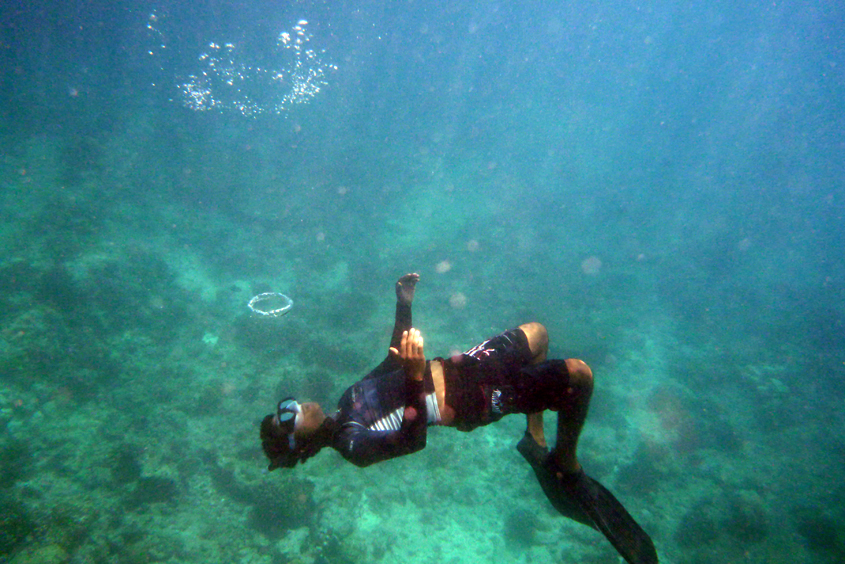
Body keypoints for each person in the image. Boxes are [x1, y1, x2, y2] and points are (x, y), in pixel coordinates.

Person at [260, 273, 658, 564]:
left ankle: (533, 434)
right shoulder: (351, 442)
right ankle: (565, 460)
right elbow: (413, 441)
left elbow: (392, 358)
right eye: (288, 418)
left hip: (465, 366)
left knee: (537, 334)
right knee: (580, 376)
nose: (297, 406)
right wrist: (417, 378)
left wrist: (403, 303)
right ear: (299, 442)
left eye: (287, 403)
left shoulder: (348, 398)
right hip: (476, 401)